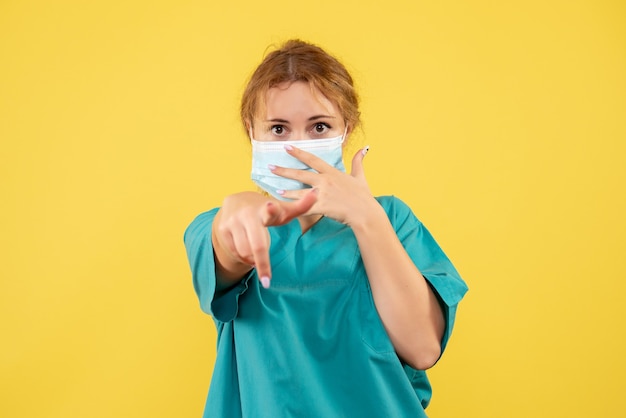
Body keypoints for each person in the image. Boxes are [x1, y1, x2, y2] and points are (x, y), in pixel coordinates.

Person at [184, 39, 468, 418]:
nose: (299, 145)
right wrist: (236, 214)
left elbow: (423, 348)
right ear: (252, 131)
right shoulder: (227, 224)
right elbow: (226, 244)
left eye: (319, 127)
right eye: (279, 129)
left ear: (346, 130)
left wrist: (367, 219)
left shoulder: (392, 221)